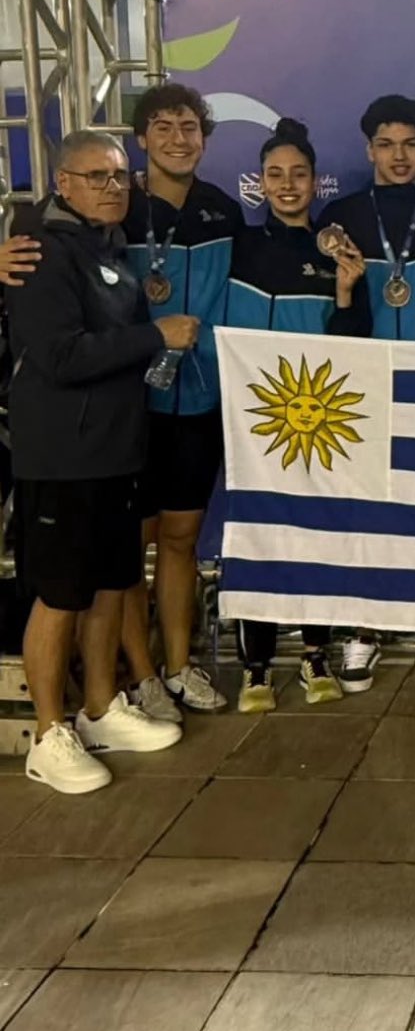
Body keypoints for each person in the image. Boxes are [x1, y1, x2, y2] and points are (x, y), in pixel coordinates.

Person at [7, 130, 193, 793]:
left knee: (113, 583)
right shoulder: (35, 248)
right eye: (97, 177)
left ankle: (100, 708)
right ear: (63, 183)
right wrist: (154, 336)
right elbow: (60, 356)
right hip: (63, 456)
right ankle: (49, 732)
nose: (114, 188)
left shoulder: (109, 247)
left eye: (120, 177)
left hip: (117, 450)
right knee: (60, 596)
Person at [318, 95, 415, 690]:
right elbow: (333, 301)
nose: (398, 155)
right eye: (386, 144)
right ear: (368, 150)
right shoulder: (341, 217)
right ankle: (363, 629)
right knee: (366, 508)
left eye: (409, 143)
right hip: (364, 384)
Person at [225, 118, 371, 712]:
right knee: (257, 537)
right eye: (275, 174)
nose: (287, 185)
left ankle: (315, 654)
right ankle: (256, 668)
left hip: (314, 424)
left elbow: (353, 341)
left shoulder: (336, 251)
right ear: (259, 182)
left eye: (299, 174)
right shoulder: (237, 245)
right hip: (248, 425)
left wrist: (343, 292)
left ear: (316, 182)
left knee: (316, 539)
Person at [120, 84, 244, 720]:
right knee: (126, 547)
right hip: (126, 404)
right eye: (163, 127)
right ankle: (136, 673)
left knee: (181, 538)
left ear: (204, 137)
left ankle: (176, 666)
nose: (178, 137)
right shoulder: (114, 206)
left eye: (190, 127)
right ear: (141, 139)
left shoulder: (224, 211)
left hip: (197, 401)